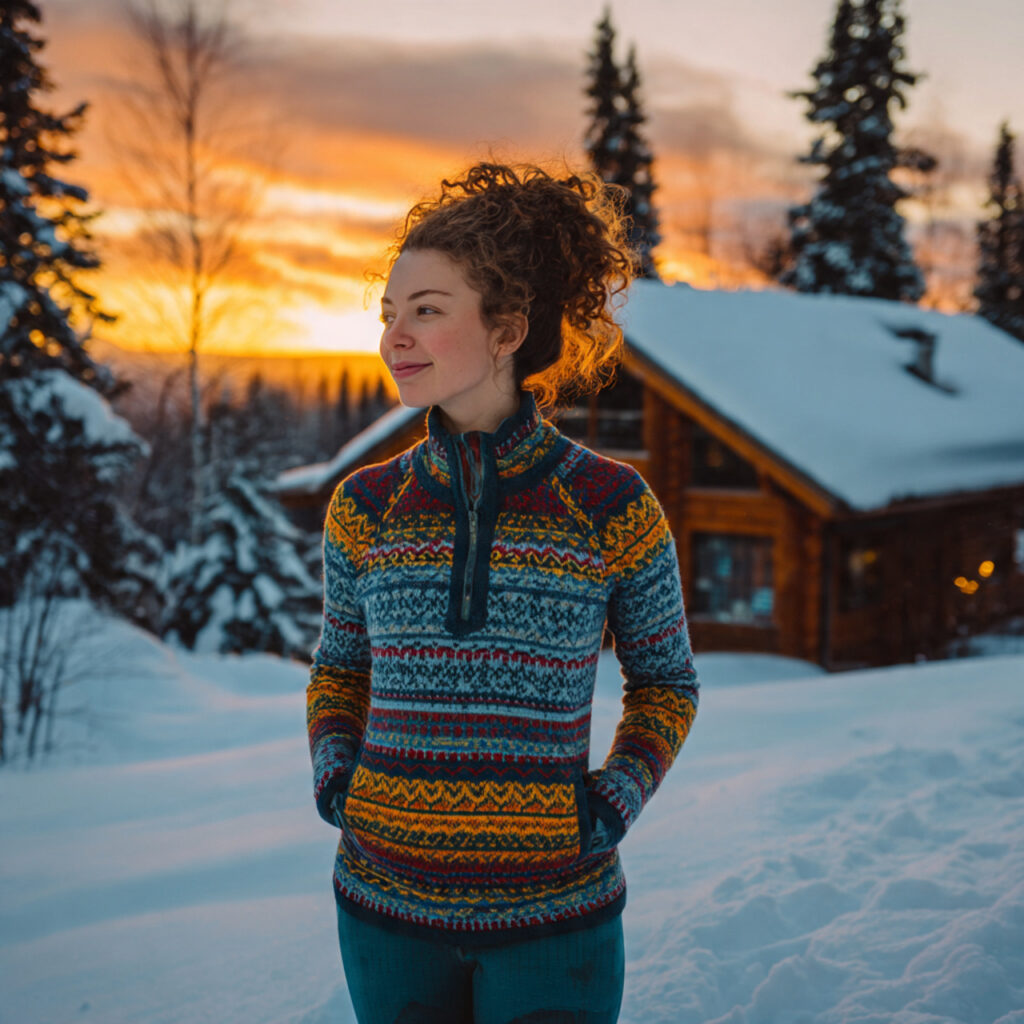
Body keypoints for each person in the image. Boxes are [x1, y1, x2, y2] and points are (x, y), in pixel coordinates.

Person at [307, 162, 699, 1024]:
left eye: (427, 310)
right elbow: (340, 668)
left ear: (507, 329)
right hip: (384, 913)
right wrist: (339, 778)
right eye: (389, 313)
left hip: (556, 921)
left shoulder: (609, 505)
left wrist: (612, 802)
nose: (394, 337)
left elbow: (667, 682)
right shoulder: (365, 506)